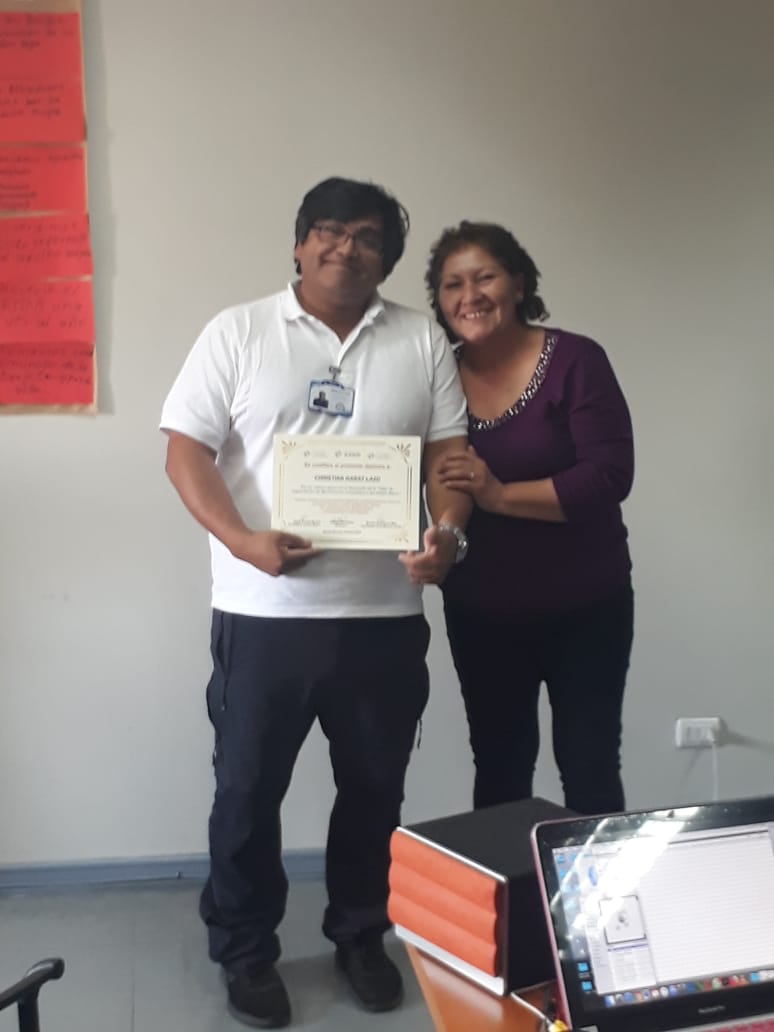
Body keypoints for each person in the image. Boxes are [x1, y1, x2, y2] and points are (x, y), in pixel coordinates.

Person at [160, 178, 470, 1028]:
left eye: (368, 237)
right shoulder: (239, 331)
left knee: (374, 789)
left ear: (387, 259)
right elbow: (184, 451)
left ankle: (361, 935)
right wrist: (241, 540)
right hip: (265, 616)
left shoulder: (420, 339)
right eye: (329, 230)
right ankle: (245, 949)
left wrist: (446, 533)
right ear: (299, 243)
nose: (346, 247)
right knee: (246, 791)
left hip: (384, 618)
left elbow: (448, 459)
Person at [426, 221, 634, 818]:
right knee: (499, 767)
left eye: (484, 277)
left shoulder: (576, 360)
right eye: (452, 284)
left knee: (590, 765)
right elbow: (421, 469)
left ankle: (595, 886)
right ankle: (507, 885)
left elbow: (608, 476)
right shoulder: (438, 375)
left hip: (586, 608)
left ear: (518, 283)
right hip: (482, 611)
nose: (470, 296)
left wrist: (499, 495)